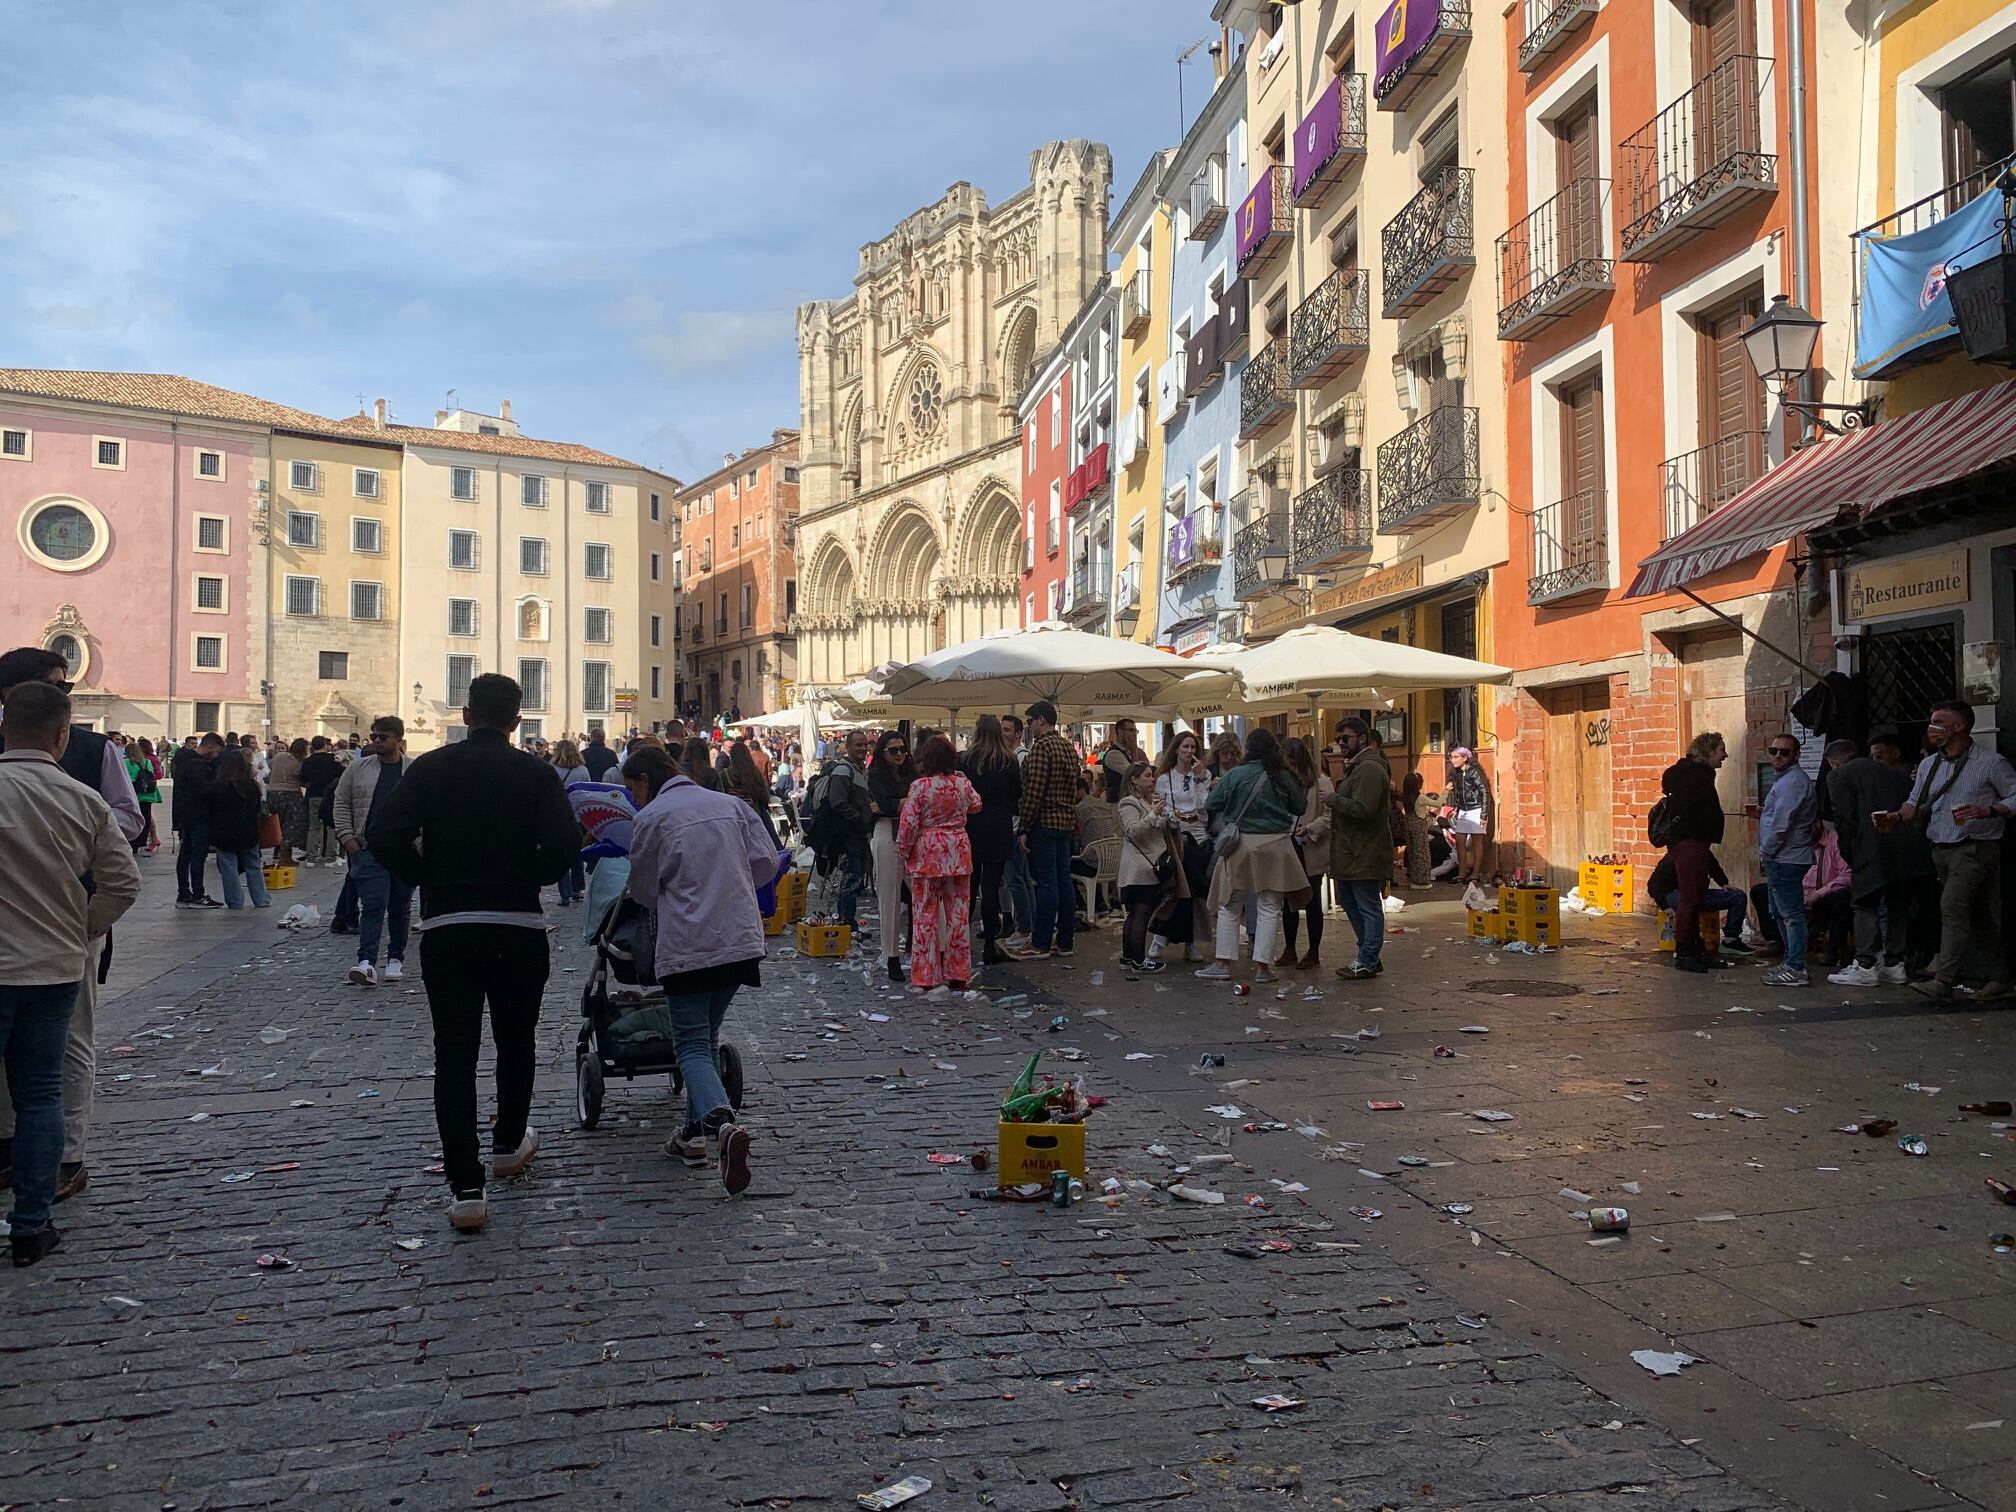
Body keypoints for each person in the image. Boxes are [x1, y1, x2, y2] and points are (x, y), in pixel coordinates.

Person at [367, 675, 578, 1232]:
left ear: (466, 714)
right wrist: (526, 878)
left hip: (450, 923)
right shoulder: (536, 772)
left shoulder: (430, 768)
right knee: (516, 1041)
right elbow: (564, 844)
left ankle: (466, 1187)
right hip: (516, 923)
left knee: (454, 1053)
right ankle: (509, 1142)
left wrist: (427, 876)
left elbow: (383, 832)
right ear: (516, 720)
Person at [0, 681, 140, 1265]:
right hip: (52, 967)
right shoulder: (82, 800)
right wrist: (85, 926)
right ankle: (31, 1226)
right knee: (39, 1096)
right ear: (63, 734)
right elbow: (124, 882)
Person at [624, 743, 774, 1196]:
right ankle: (691, 1136)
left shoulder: (652, 819)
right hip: (739, 941)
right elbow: (766, 863)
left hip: (689, 944)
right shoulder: (730, 806)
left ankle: (723, 1126)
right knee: (704, 1039)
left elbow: (643, 888)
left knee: (688, 1044)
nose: (631, 798)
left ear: (646, 781)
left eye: (631, 789)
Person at [1891, 701, 2016, 1001]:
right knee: (1977, 914)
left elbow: (2014, 795)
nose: (1932, 728)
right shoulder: (1928, 764)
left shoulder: (1989, 763)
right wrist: (1895, 816)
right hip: (1941, 847)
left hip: (1974, 848)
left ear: (1959, 727)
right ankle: (2001, 976)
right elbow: (1914, 802)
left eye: (1938, 721)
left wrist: (1988, 810)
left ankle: (1944, 979)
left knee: (1953, 907)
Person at [1194, 728, 1306, 984]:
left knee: (1230, 904)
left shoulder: (1235, 774)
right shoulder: (1283, 775)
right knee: (1269, 907)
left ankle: (1223, 963)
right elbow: (1300, 806)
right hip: (1277, 846)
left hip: (1241, 846)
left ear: (1249, 749)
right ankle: (1263, 968)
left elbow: (1212, 805)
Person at [1824, 735, 1931, 988]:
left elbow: (1844, 818)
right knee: (1897, 905)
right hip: (1905, 847)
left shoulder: (1839, 776)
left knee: (1865, 904)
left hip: (1870, 847)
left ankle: (1865, 964)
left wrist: (1850, 851)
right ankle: (1895, 964)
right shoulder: (1894, 773)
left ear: (1834, 762)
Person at [896, 735, 982, 996]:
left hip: (928, 854)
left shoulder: (920, 787)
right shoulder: (961, 784)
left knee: (925, 916)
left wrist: (904, 850)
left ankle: (926, 975)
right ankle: (958, 974)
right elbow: (977, 805)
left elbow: (908, 823)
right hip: (957, 851)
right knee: (958, 916)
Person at [333, 716, 414, 987]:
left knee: (400, 906)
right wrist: (348, 838)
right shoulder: (358, 769)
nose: (377, 741)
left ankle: (395, 959)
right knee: (373, 904)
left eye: (383, 737)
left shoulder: (413, 770)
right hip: (368, 848)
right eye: (374, 736)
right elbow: (342, 802)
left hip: (404, 850)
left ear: (399, 740)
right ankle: (366, 961)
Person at [1660, 731, 1730, 974]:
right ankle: (1685, 951)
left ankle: (1695, 947)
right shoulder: (1697, 777)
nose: (1724, 756)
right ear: (1708, 752)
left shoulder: (1686, 773)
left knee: (1694, 897)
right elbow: (1695, 811)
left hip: (1688, 842)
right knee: (1691, 900)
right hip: (1692, 841)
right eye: (1720, 750)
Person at [1327, 717, 1392, 980]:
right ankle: (1369, 956)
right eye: (1338, 739)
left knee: (1367, 905)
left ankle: (1367, 959)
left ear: (1362, 739)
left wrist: (1333, 799)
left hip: (1364, 851)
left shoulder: (1370, 769)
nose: (1340, 743)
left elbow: (1364, 809)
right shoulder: (1357, 767)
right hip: (1351, 851)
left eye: (1346, 738)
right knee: (1351, 902)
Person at [1017, 701, 1082, 960]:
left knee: (1046, 883)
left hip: (1045, 822)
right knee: (1064, 881)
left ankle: (1041, 941)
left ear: (1041, 720)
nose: (1029, 727)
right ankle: (1065, 941)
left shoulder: (1042, 748)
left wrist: (1024, 827)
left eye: (1030, 721)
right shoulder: (1067, 747)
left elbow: (1034, 791)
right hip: (1065, 821)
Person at [1754, 733, 1818, 987]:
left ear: (1796, 755)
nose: (1778, 756)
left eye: (1784, 752)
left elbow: (1782, 824)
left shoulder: (1793, 782)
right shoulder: (1785, 781)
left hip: (1786, 856)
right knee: (1780, 912)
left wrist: (1766, 851)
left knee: (1790, 914)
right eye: (1773, 751)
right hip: (1782, 856)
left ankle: (1796, 966)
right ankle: (1790, 961)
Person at [960, 714, 1021, 967]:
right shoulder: (1008, 760)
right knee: (992, 886)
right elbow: (1017, 794)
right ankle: (989, 946)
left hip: (972, 826)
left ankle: (961, 944)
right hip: (999, 826)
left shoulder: (966, 760)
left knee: (970, 887)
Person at [1154, 731, 1213, 961]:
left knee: (1194, 892)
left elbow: (1203, 808)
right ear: (1176, 749)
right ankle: (1164, 939)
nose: (1190, 751)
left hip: (1197, 837)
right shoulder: (1164, 778)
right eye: (1186, 747)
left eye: (1193, 747)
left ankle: (1186, 941)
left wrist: (1199, 781)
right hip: (1175, 836)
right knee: (1177, 890)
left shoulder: (1204, 775)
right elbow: (1162, 807)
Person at [1115, 761, 1175, 974]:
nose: (1152, 780)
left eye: (1153, 776)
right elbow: (1133, 830)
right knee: (1140, 912)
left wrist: (1165, 819)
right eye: (1147, 776)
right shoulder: (1129, 803)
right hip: (1140, 868)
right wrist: (1153, 815)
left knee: (1135, 914)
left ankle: (1128, 957)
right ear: (1134, 779)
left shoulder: (1145, 802)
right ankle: (1139, 961)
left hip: (1145, 865)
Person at [867, 731, 916, 982]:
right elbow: (884, 804)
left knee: (922, 894)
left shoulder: (912, 770)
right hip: (887, 831)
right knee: (889, 898)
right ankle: (891, 956)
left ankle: (925, 950)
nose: (899, 754)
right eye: (893, 750)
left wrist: (897, 803)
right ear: (882, 752)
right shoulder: (875, 774)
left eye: (902, 749)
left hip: (912, 834)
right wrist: (906, 801)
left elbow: (892, 804)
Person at [813, 729, 874, 929]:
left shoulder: (857, 769)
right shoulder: (843, 770)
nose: (863, 748)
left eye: (865, 744)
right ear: (847, 747)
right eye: (858, 745)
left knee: (851, 875)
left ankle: (845, 917)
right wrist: (858, 817)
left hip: (853, 832)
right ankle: (846, 919)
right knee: (851, 875)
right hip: (847, 834)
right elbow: (837, 801)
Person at [1280, 737, 1332, 971]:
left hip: (1310, 846)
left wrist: (1309, 828)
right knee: (1288, 901)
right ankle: (1289, 949)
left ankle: (1313, 951)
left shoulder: (1321, 783)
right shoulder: (1283, 783)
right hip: (1288, 845)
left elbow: (1331, 815)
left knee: (1311, 902)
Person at [204, 748, 273, 909]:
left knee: (229, 867)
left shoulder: (218, 786)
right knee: (253, 865)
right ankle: (261, 898)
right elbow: (258, 808)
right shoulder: (251, 785)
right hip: (248, 831)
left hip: (224, 831)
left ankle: (235, 901)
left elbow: (212, 809)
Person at [1647, 849, 1751, 947]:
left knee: (1738, 896)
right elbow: (1653, 884)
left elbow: (1714, 867)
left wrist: (1723, 883)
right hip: (1678, 895)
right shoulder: (1674, 856)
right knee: (1687, 901)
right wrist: (1665, 906)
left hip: (1699, 895)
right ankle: (1686, 943)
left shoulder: (1704, 852)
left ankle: (1731, 940)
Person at [998, 713, 1036, 950]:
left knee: (1015, 880)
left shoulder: (1020, 759)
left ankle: (1024, 927)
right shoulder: (1012, 757)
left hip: (1015, 826)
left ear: (1019, 733)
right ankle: (1029, 925)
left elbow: (1022, 796)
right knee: (1023, 879)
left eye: (1008, 730)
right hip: (1016, 826)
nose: (1004, 734)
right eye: (1002, 729)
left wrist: (1023, 827)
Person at [549, 740, 593, 905]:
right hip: (579, 816)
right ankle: (577, 889)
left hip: (559, 816)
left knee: (561, 855)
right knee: (577, 855)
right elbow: (587, 792)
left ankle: (565, 893)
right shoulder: (583, 770)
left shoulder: (553, 770)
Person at [1442, 746, 1492, 884]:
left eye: (1456, 757)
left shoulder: (1474, 772)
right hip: (1464, 810)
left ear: (1465, 758)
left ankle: (1475, 875)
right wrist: (1456, 809)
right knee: (1459, 841)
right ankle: (1461, 874)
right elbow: (1459, 794)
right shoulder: (1456, 774)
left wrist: (1484, 814)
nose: (1452, 760)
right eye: (1451, 757)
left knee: (1477, 842)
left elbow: (1484, 792)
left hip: (1476, 809)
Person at [725, 741, 780, 847]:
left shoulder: (725, 774)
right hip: (755, 811)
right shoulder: (754, 770)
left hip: (734, 815)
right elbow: (764, 789)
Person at [299, 736, 343, 865]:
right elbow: (342, 774)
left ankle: (310, 857)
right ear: (324, 745)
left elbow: (302, 779)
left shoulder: (308, 761)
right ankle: (330, 857)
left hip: (313, 795)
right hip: (329, 796)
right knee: (330, 826)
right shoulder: (332, 759)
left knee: (314, 826)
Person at [266, 738, 306, 866]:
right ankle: (285, 857)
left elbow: (270, 767)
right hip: (291, 794)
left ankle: (278, 853)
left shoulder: (279, 756)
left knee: (277, 823)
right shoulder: (301, 761)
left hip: (272, 792)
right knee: (290, 826)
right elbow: (303, 780)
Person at [126, 737, 163, 854]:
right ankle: (141, 841)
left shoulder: (125, 762)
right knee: (146, 817)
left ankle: (133, 842)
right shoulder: (148, 762)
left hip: (134, 793)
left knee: (132, 817)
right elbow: (152, 774)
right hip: (147, 793)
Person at [1399, 769, 1434, 889]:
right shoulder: (1420, 798)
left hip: (1408, 824)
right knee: (1422, 852)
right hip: (1419, 825)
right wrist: (1446, 791)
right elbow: (1438, 803)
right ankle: (1422, 880)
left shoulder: (1405, 797)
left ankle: (1414, 877)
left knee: (1412, 851)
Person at [1099, 719, 1142, 802]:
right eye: (1130, 730)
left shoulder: (1126, 752)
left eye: (1135, 731)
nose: (1134, 734)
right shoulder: (1113, 754)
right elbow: (1134, 773)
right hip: (1118, 802)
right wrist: (1134, 750)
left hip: (1127, 800)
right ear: (1120, 732)